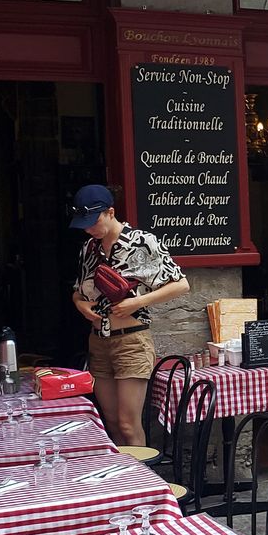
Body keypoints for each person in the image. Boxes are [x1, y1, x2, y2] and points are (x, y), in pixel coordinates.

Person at [69, 184, 188, 446]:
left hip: (131, 341)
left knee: (127, 422)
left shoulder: (142, 242)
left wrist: (137, 303)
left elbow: (181, 284)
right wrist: (80, 305)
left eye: (93, 221)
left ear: (110, 212)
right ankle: (123, 479)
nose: (89, 229)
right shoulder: (89, 248)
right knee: (109, 421)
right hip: (98, 341)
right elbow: (78, 291)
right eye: (84, 224)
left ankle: (145, 482)